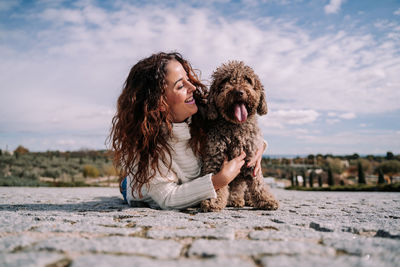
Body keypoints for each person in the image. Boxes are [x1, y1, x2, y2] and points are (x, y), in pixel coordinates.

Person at [109, 52, 266, 210]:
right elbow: (168, 198)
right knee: (129, 185)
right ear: (159, 102)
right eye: (180, 85)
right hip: (147, 189)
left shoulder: (203, 111)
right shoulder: (144, 147)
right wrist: (220, 180)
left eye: (188, 80)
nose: (192, 87)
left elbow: (242, 131)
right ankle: (125, 182)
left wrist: (259, 148)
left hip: (192, 184)